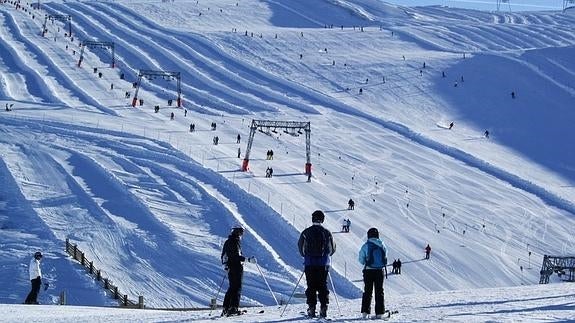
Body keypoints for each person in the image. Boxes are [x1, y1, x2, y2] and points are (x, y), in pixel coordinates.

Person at [298, 210, 336, 318]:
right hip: (323, 264)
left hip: (309, 263)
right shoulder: (327, 232)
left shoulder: (306, 232)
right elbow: (332, 249)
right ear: (322, 220)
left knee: (311, 286)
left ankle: (311, 308)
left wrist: (305, 256)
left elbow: (300, 246)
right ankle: (324, 307)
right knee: (323, 285)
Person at [221, 226, 253, 316]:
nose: (242, 235)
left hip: (230, 266)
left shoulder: (228, 241)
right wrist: (248, 259)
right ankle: (233, 308)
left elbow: (225, 255)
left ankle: (226, 308)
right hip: (236, 266)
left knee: (232, 287)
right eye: (241, 232)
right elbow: (235, 256)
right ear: (237, 232)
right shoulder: (234, 242)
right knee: (237, 287)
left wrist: (226, 265)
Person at [358, 228, 387, 319]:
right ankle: (380, 313)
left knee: (368, 291)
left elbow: (361, 260)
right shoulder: (382, 245)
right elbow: (385, 257)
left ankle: (365, 312)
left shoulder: (366, 245)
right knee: (379, 291)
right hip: (379, 271)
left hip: (368, 271)